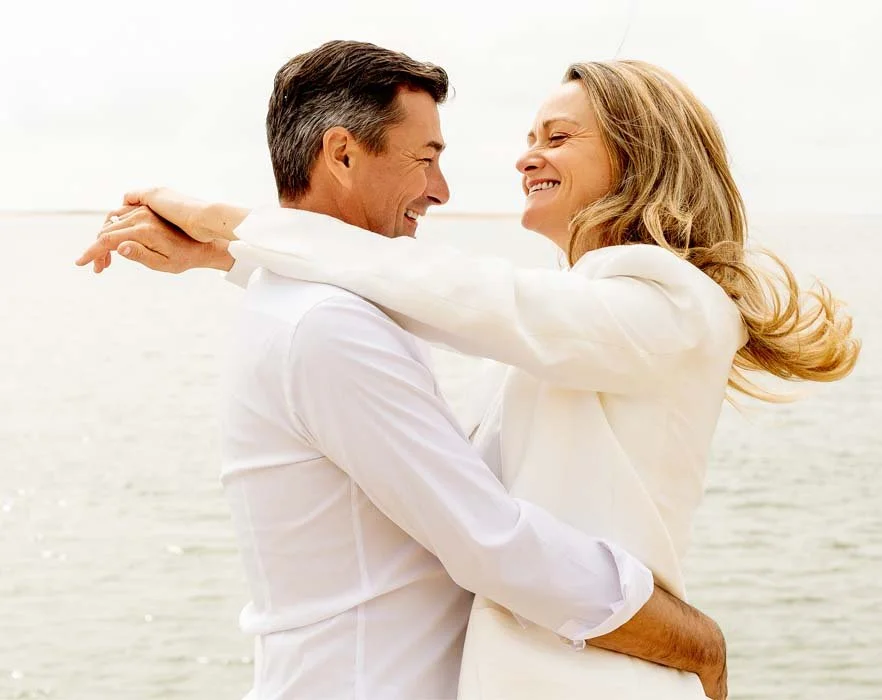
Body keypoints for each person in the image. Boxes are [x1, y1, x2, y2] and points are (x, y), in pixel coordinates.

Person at [79, 42, 731, 699]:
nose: (449, 187)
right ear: (342, 155)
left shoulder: (659, 302)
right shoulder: (327, 323)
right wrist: (691, 640)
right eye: (427, 159)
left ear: (638, 154)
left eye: (558, 137)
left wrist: (231, 238)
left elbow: (464, 296)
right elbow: (492, 536)